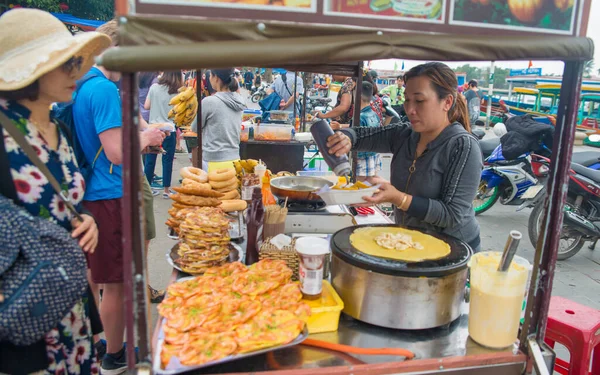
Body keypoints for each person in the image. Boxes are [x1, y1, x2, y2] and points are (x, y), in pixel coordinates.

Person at [0, 8, 108, 374]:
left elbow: (66, 205)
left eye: (75, 60)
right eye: (64, 62)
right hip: (24, 320)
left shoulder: (58, 128)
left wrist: (89, 220)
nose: (75, 70)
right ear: (30, 70)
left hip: (70, 305)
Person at [72, 20, 165, 374]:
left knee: (99, 277)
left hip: (95, 193)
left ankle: (101, 340)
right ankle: (114, 355)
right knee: (115, 282)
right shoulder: (104, 90)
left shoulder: (88, 86)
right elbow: (114, 151)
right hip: (109, 193)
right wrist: (146, 139)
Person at [326, 62, 482, 252]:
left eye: (419, 101)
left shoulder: (463, 146)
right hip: (410, 243)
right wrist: (347, 137)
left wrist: (398, 198)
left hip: (452, 253)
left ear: (447, 102)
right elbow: (363, 135)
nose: (410, 109)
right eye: (407, 100)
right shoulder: (406, 134)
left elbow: (452, 214)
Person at [192, 68, 245, 172]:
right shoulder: (239, 101)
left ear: (216, 78)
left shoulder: (209, 102)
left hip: (213, 162)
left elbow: (195, 128)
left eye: (210, 76)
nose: (209, 79)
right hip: (235, 162)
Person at [330, 82, 382, 182]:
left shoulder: (359, 117)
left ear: (356, 95)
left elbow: (354, 135)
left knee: (360, 185)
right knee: (370, 183)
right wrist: (340, 126)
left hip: (362, 158)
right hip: (373, 155)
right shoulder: (373, 114)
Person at [144, 71, 182, 198]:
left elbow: (146, 106)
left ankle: (148, 188)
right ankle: (166, 190)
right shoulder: (178, 92)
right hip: (169, 129)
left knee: (150, 160)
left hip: (153, 128)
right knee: (167, 160)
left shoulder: (154, 87)